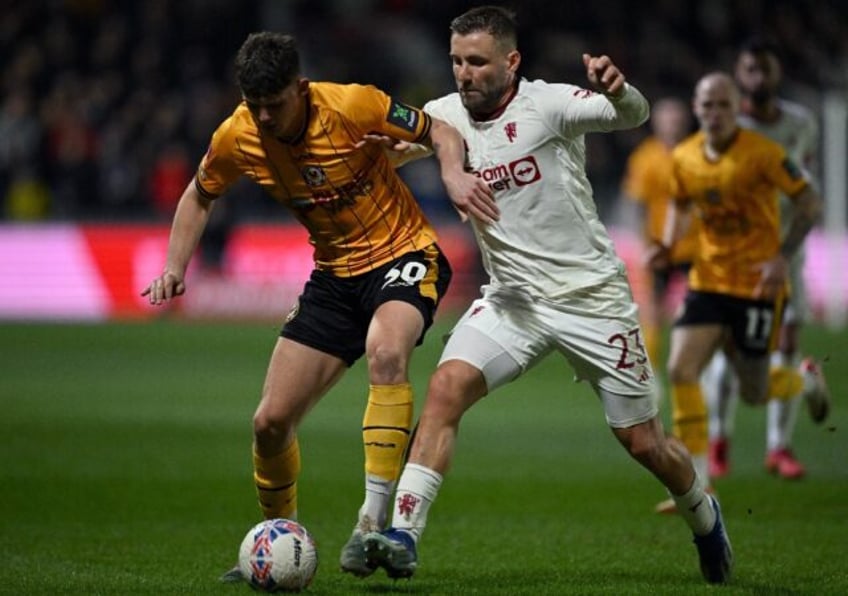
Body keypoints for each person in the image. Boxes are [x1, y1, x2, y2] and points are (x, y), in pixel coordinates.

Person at [357, 6, 733, 585]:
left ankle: (704, 516)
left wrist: (621, 88)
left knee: (642, 441)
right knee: (445, 389)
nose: (464, 73)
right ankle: (403, 533)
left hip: (592, 300)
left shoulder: (550, 104)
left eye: (478, 62)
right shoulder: (444, 115)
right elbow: (396, 148)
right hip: (513, 302)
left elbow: (631, 114)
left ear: (511, 62)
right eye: (456, 61)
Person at [140, 31, 499, 581]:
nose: (263, 117)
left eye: (275, 104)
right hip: (334, 277)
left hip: (405, 254)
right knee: (269, 422)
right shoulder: (238, 135)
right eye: (253, 105)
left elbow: (442, 130)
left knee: (386, 355)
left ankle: (370, 525)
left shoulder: (353, 104)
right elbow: (199, 194)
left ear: (301, 88)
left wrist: (451, 173)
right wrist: (173, 266)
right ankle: (275, 539)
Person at [647, 72, 823, 514]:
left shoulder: (764, 154)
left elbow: (808, 202)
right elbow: (682, 203)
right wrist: (668, 245)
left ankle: (802, 380)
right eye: (707, 106)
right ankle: (697, 482)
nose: (715, 114)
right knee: (682, 369)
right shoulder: (684, 157)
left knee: (754, 392)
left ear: (736, 108)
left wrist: (783, 256)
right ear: (696, 108)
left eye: (724, 105)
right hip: (708, 281)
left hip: (757, 286)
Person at [705, 36, 831, 481]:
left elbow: (804, 187)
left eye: (765, 69)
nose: (758, 77)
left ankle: (779, 448)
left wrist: (788, 247)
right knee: (729, 345)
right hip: (736, 255)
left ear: (777, 73)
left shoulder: (801, 123)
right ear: (739, 75)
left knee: (787, 343)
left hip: (784, 253)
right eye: (750, 69)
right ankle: (719, 441)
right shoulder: (726, 126)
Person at [620, 97, 695, 368]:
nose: (672, 125)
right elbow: (636, 204)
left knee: (702, 309)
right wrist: (642, 244)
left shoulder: (698, 152)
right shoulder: (645, 157)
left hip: (694, 247)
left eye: (676, 120)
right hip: (658, 247)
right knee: (653, 309)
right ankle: (648, 370)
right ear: (656, 123)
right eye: (667, 120)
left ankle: (697, 364)